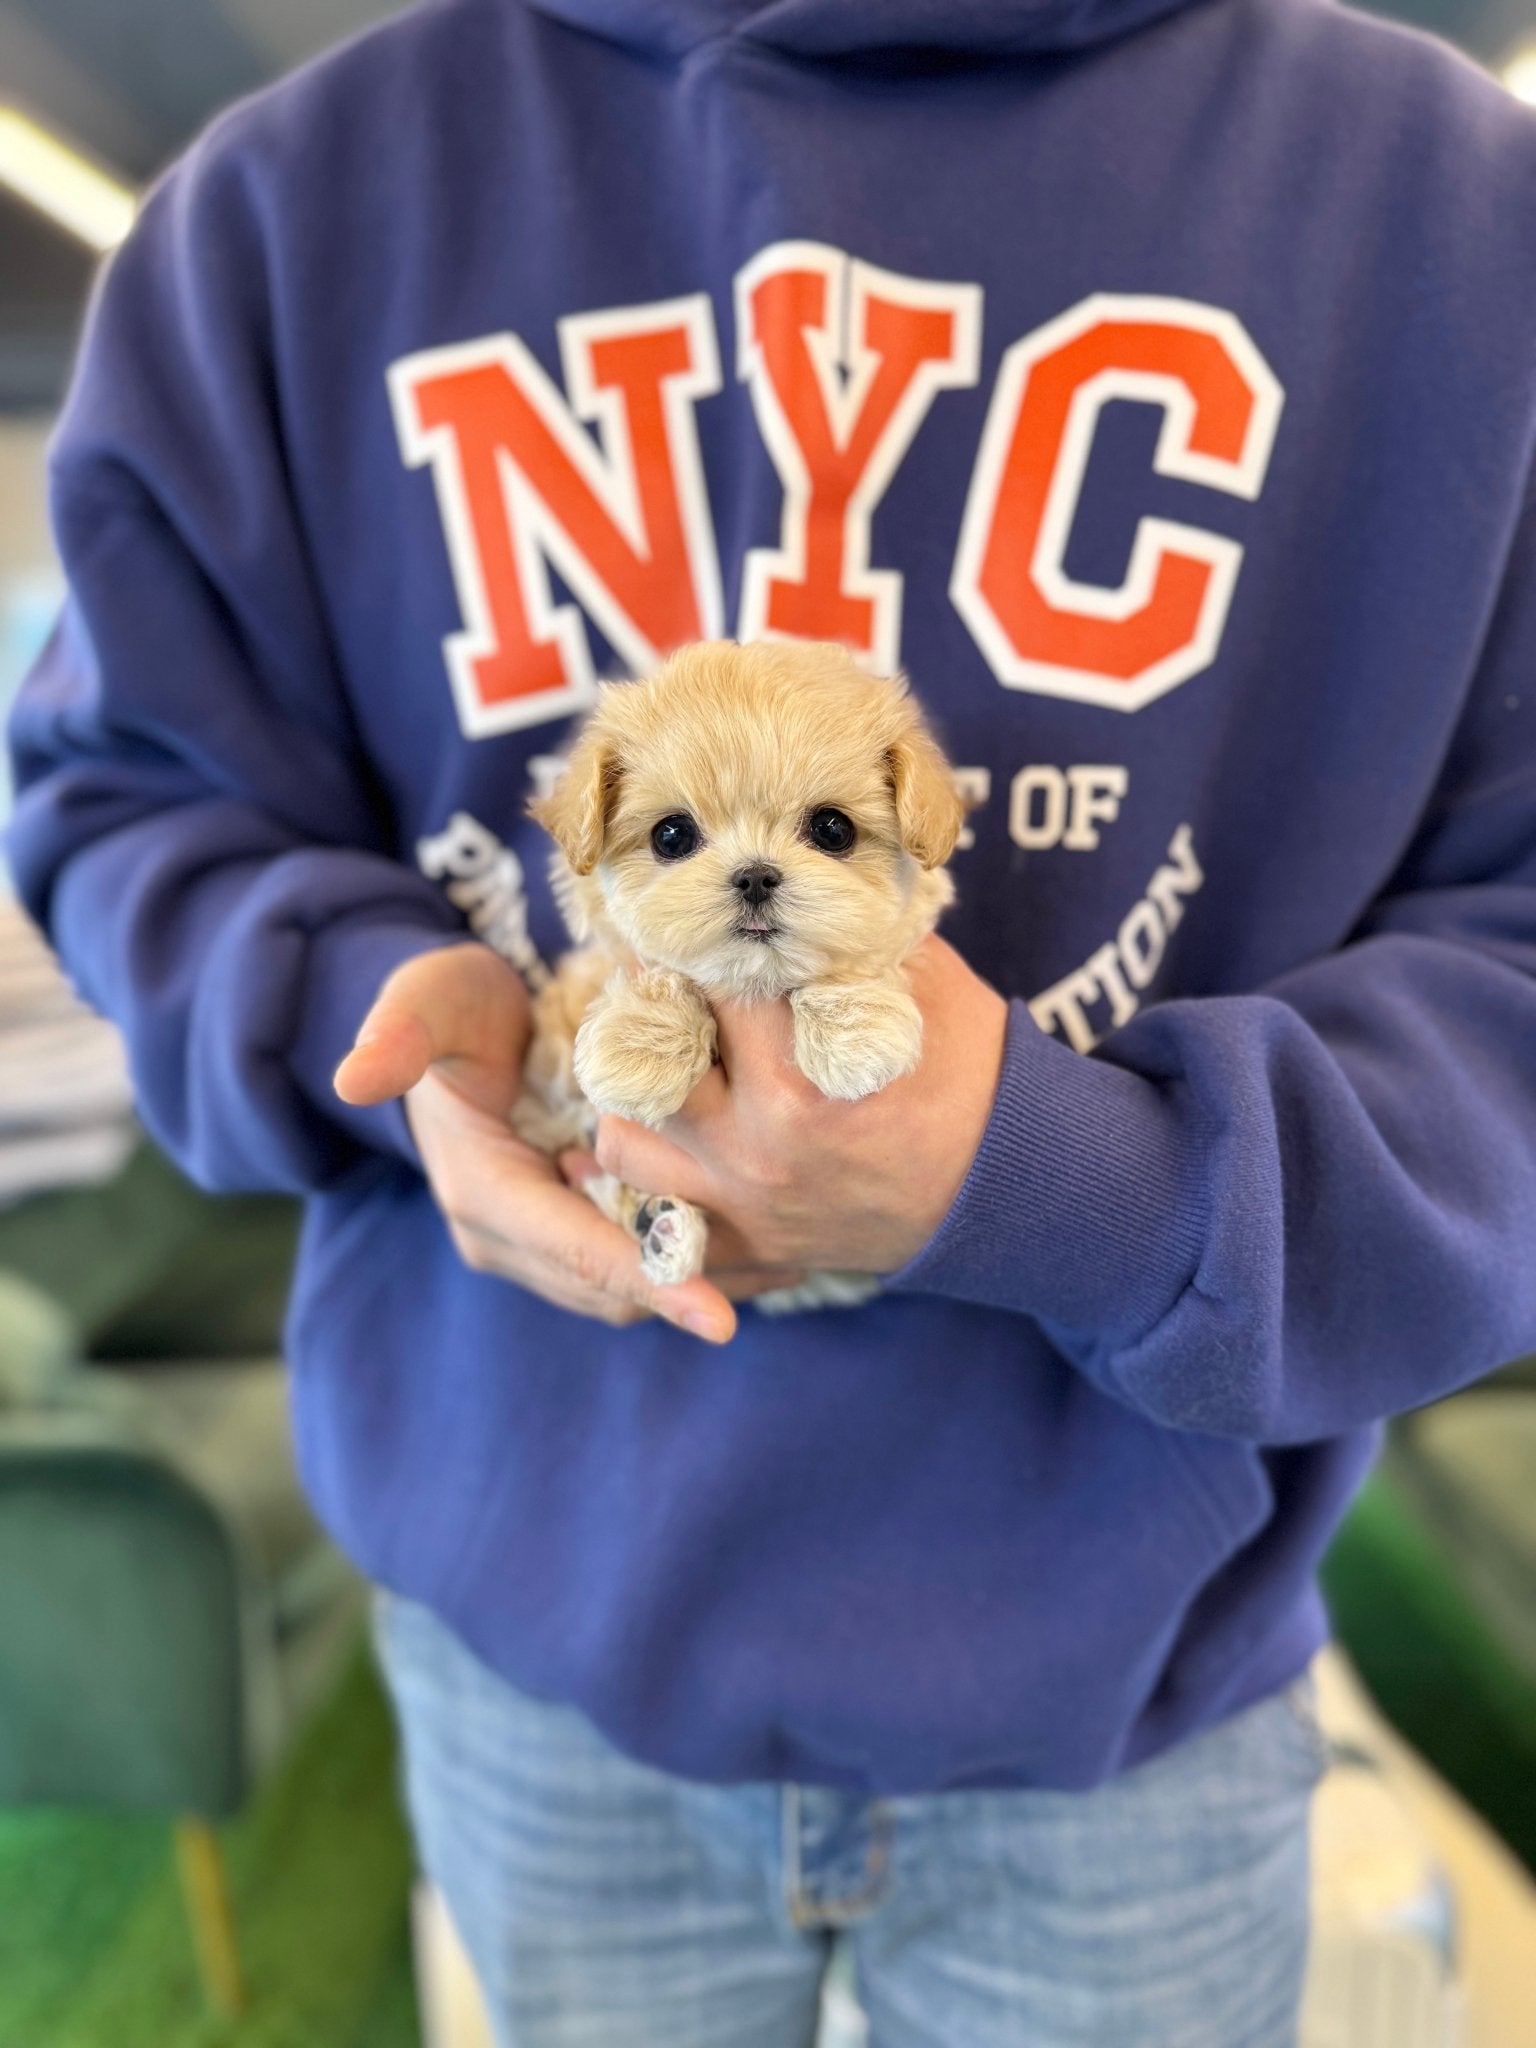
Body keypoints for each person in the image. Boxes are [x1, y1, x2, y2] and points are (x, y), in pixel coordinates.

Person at [11, 0, 1536, 2039]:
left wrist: (1083, 1177)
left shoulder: (1456, 210)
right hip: (539, 1655)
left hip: (1133, 1681)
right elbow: (127, 797)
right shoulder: (274, 215)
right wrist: (383, 1018)